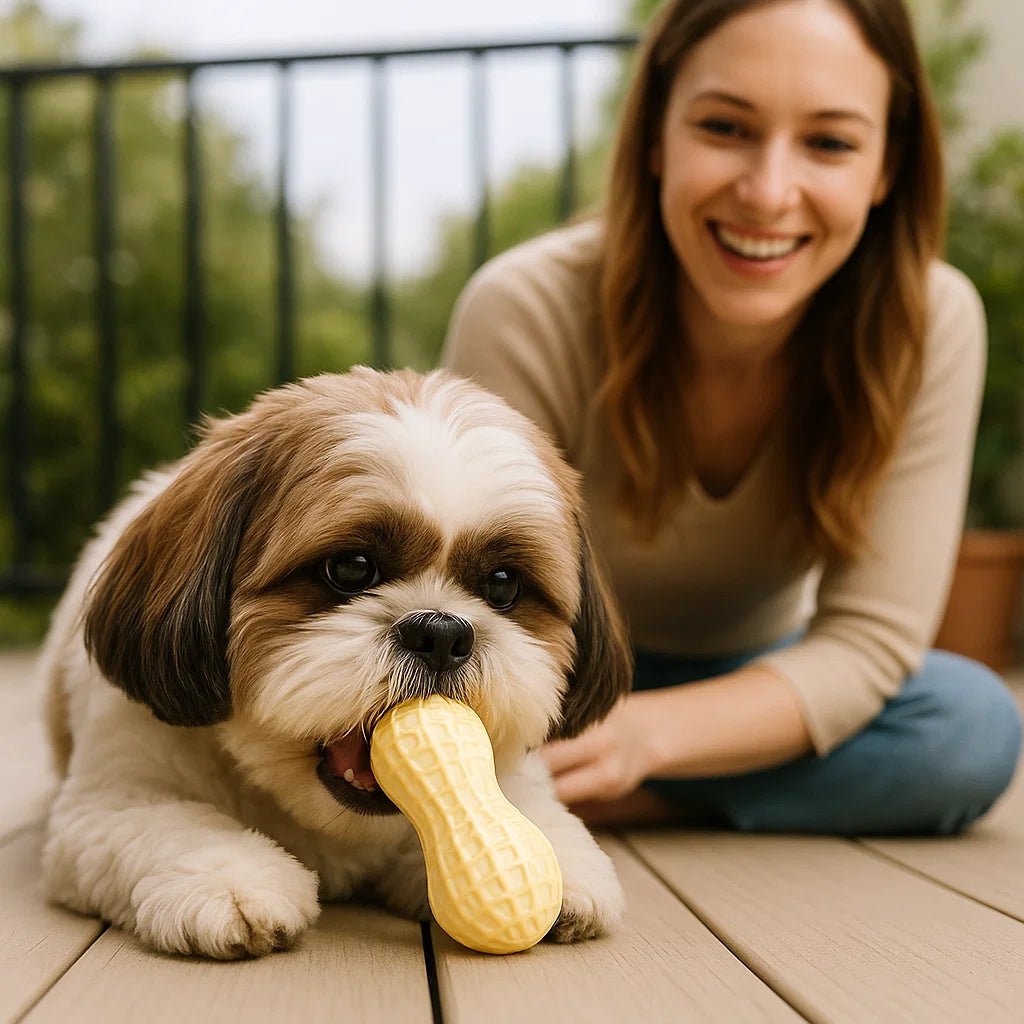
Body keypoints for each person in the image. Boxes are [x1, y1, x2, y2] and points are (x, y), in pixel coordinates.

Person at [440, 0, 1023, 835]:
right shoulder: (524, 306)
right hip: (552, 678)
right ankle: (590, 784)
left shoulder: (931, 322)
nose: (768, 192)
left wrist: (647, 739)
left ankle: (608, 795)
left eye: (829, 142)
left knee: (967, 726)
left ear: (886, 167)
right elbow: (476, 608)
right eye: (724, 127)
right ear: (654, 137)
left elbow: (866, 645)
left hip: (751, 686)